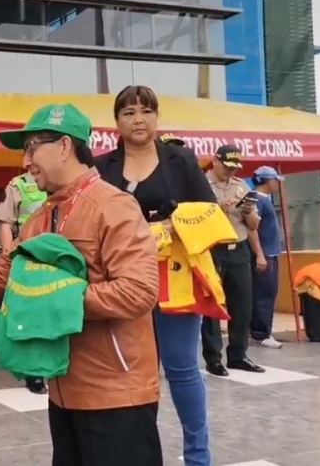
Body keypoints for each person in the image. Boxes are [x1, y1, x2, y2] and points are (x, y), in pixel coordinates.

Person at [0, 104, 162, 466]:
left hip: (115, 393)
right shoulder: (39, 217)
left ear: (65, 146)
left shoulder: (115, 206)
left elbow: (138, 292)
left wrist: (50, 303)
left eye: (32, 148)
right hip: (63, 390)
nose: (26, 161)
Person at [95, 85, 216, 466]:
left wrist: (167, 225)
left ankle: (198, 456)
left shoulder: (180, 160)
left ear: (157, 117)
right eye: (128, 112)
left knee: (182, 368)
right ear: (116, 122)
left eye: (146, 111)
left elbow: (209, 213)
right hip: (121, 280)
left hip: (175, 277)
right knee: (126, 373)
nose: (138, 119)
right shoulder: (101, 167)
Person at [201, 145, 265, 376]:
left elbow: (254, 225)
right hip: (212, 249)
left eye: (234, 168)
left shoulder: (241, 186)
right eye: (227, 166)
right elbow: (194, 217)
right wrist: (218, 209)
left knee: (242, 304)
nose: (230, 171)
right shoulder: (201, 185)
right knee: (213, 306)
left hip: (238, 249)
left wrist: (248, 211)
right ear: (215, 161)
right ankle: (213, 358)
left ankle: (238, 355)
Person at [0, 173, 48, 394]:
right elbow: (6, 223)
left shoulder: (67, 179)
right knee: (32, 316)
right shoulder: (18, 185)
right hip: (30, 257)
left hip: (62, 256)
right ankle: (34, 372)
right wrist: (9, 257)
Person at [249, 166, 284, 349]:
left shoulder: (263, 200)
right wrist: (260, 255)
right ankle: (261, 333)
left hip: (270, 252)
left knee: (267, 292)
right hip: (266, 254)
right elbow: (252, 228)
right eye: (275, 180)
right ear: (268, 181)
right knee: (265, 293)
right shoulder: (258, 200)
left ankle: (260, 331)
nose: (277, 184)